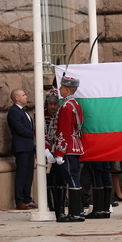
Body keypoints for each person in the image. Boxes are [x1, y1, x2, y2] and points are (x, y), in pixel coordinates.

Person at [53, 75, 87, 222]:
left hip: (68, 146)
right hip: (76, 144)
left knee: (71, 177)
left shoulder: (66, 107)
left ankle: (75, 212)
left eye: (61, 87)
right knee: (74, 176)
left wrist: (59, 151)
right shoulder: (75, 104)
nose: (59, 89)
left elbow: (63, 130)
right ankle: (77, 211)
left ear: (67, 89)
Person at [7, 89, 36, 210]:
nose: (26, 96)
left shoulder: (23, 111)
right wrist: (34, 134)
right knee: (22, 173)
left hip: (29, 146)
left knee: (29, 174)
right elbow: (20, 129)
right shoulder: (14, 112)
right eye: (23, 95)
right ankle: (20, 200)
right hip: (21, 147)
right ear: (16, 98)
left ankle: (27, 198)